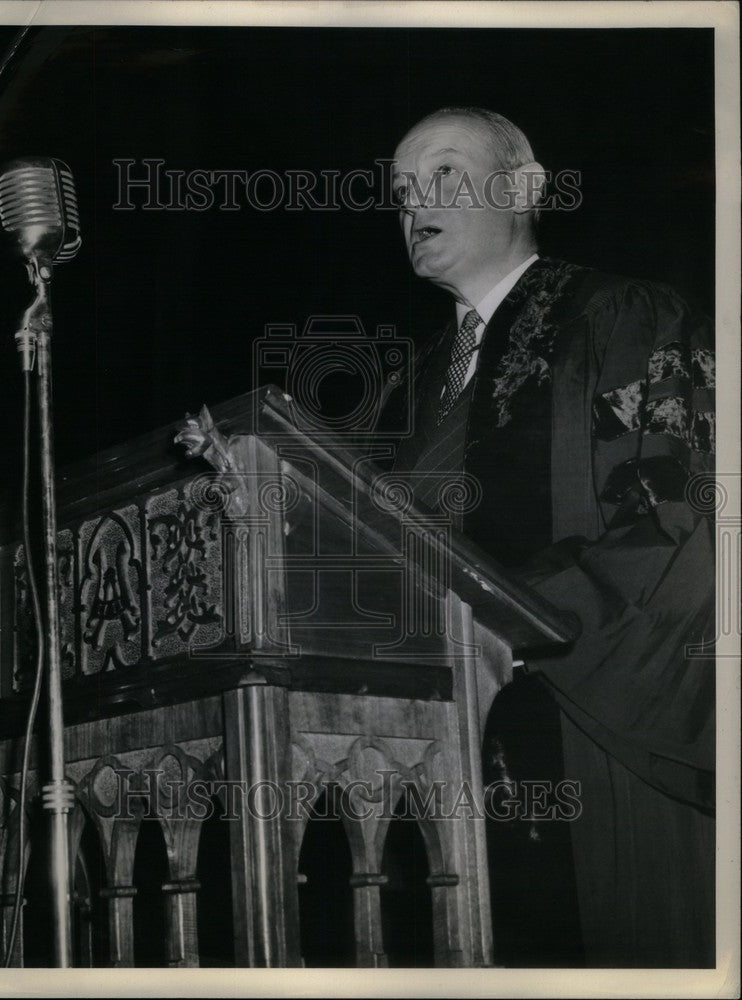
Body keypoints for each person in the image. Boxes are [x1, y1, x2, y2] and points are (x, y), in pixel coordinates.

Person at [386, 107, 716, 968]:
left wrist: (513, 628)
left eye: (446, 174)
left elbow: (679, 518)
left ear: (526, 187)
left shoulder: (621, 317)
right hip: (446, 746)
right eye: (402, 190)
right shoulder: (410, 384)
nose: (417, 201)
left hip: (598, 720)